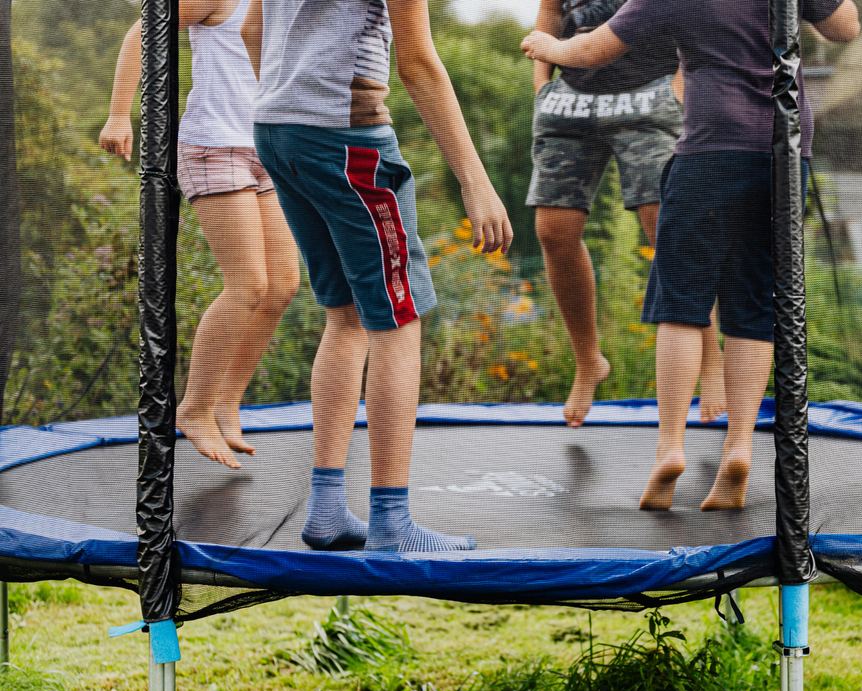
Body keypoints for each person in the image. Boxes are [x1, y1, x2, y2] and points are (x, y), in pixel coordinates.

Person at [522, 0, 860, 511]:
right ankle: (740, 446)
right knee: (753, 304)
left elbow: (594, 50)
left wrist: (550, 47)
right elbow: (845, 27)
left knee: (679, 303)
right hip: (785, 154)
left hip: (709, 151)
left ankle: (670, 448)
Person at [242, 0, 513, 552]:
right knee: (398, 315)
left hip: (276, 130)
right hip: (346, 138)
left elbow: (252, 28)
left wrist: (293, 100)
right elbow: (417, 62)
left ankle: (325, 510)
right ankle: (392, 521)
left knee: (345, 315)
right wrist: (475, 181)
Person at [100, 0, 301, 471]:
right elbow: (142, 31)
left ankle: (227, 401)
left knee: (283, 284)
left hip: (267, 144)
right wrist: (118, 115)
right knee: (248, 284)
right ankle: (193, 407)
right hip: (215, 146)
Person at [528, 0, 726, 429]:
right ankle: (588, 362)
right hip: (571, 99)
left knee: (666, 227)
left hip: (650, 93)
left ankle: (712, 362)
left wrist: (678, 88)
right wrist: (541, 85)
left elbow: (693, 14)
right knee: (553, 231)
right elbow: (549, 12)